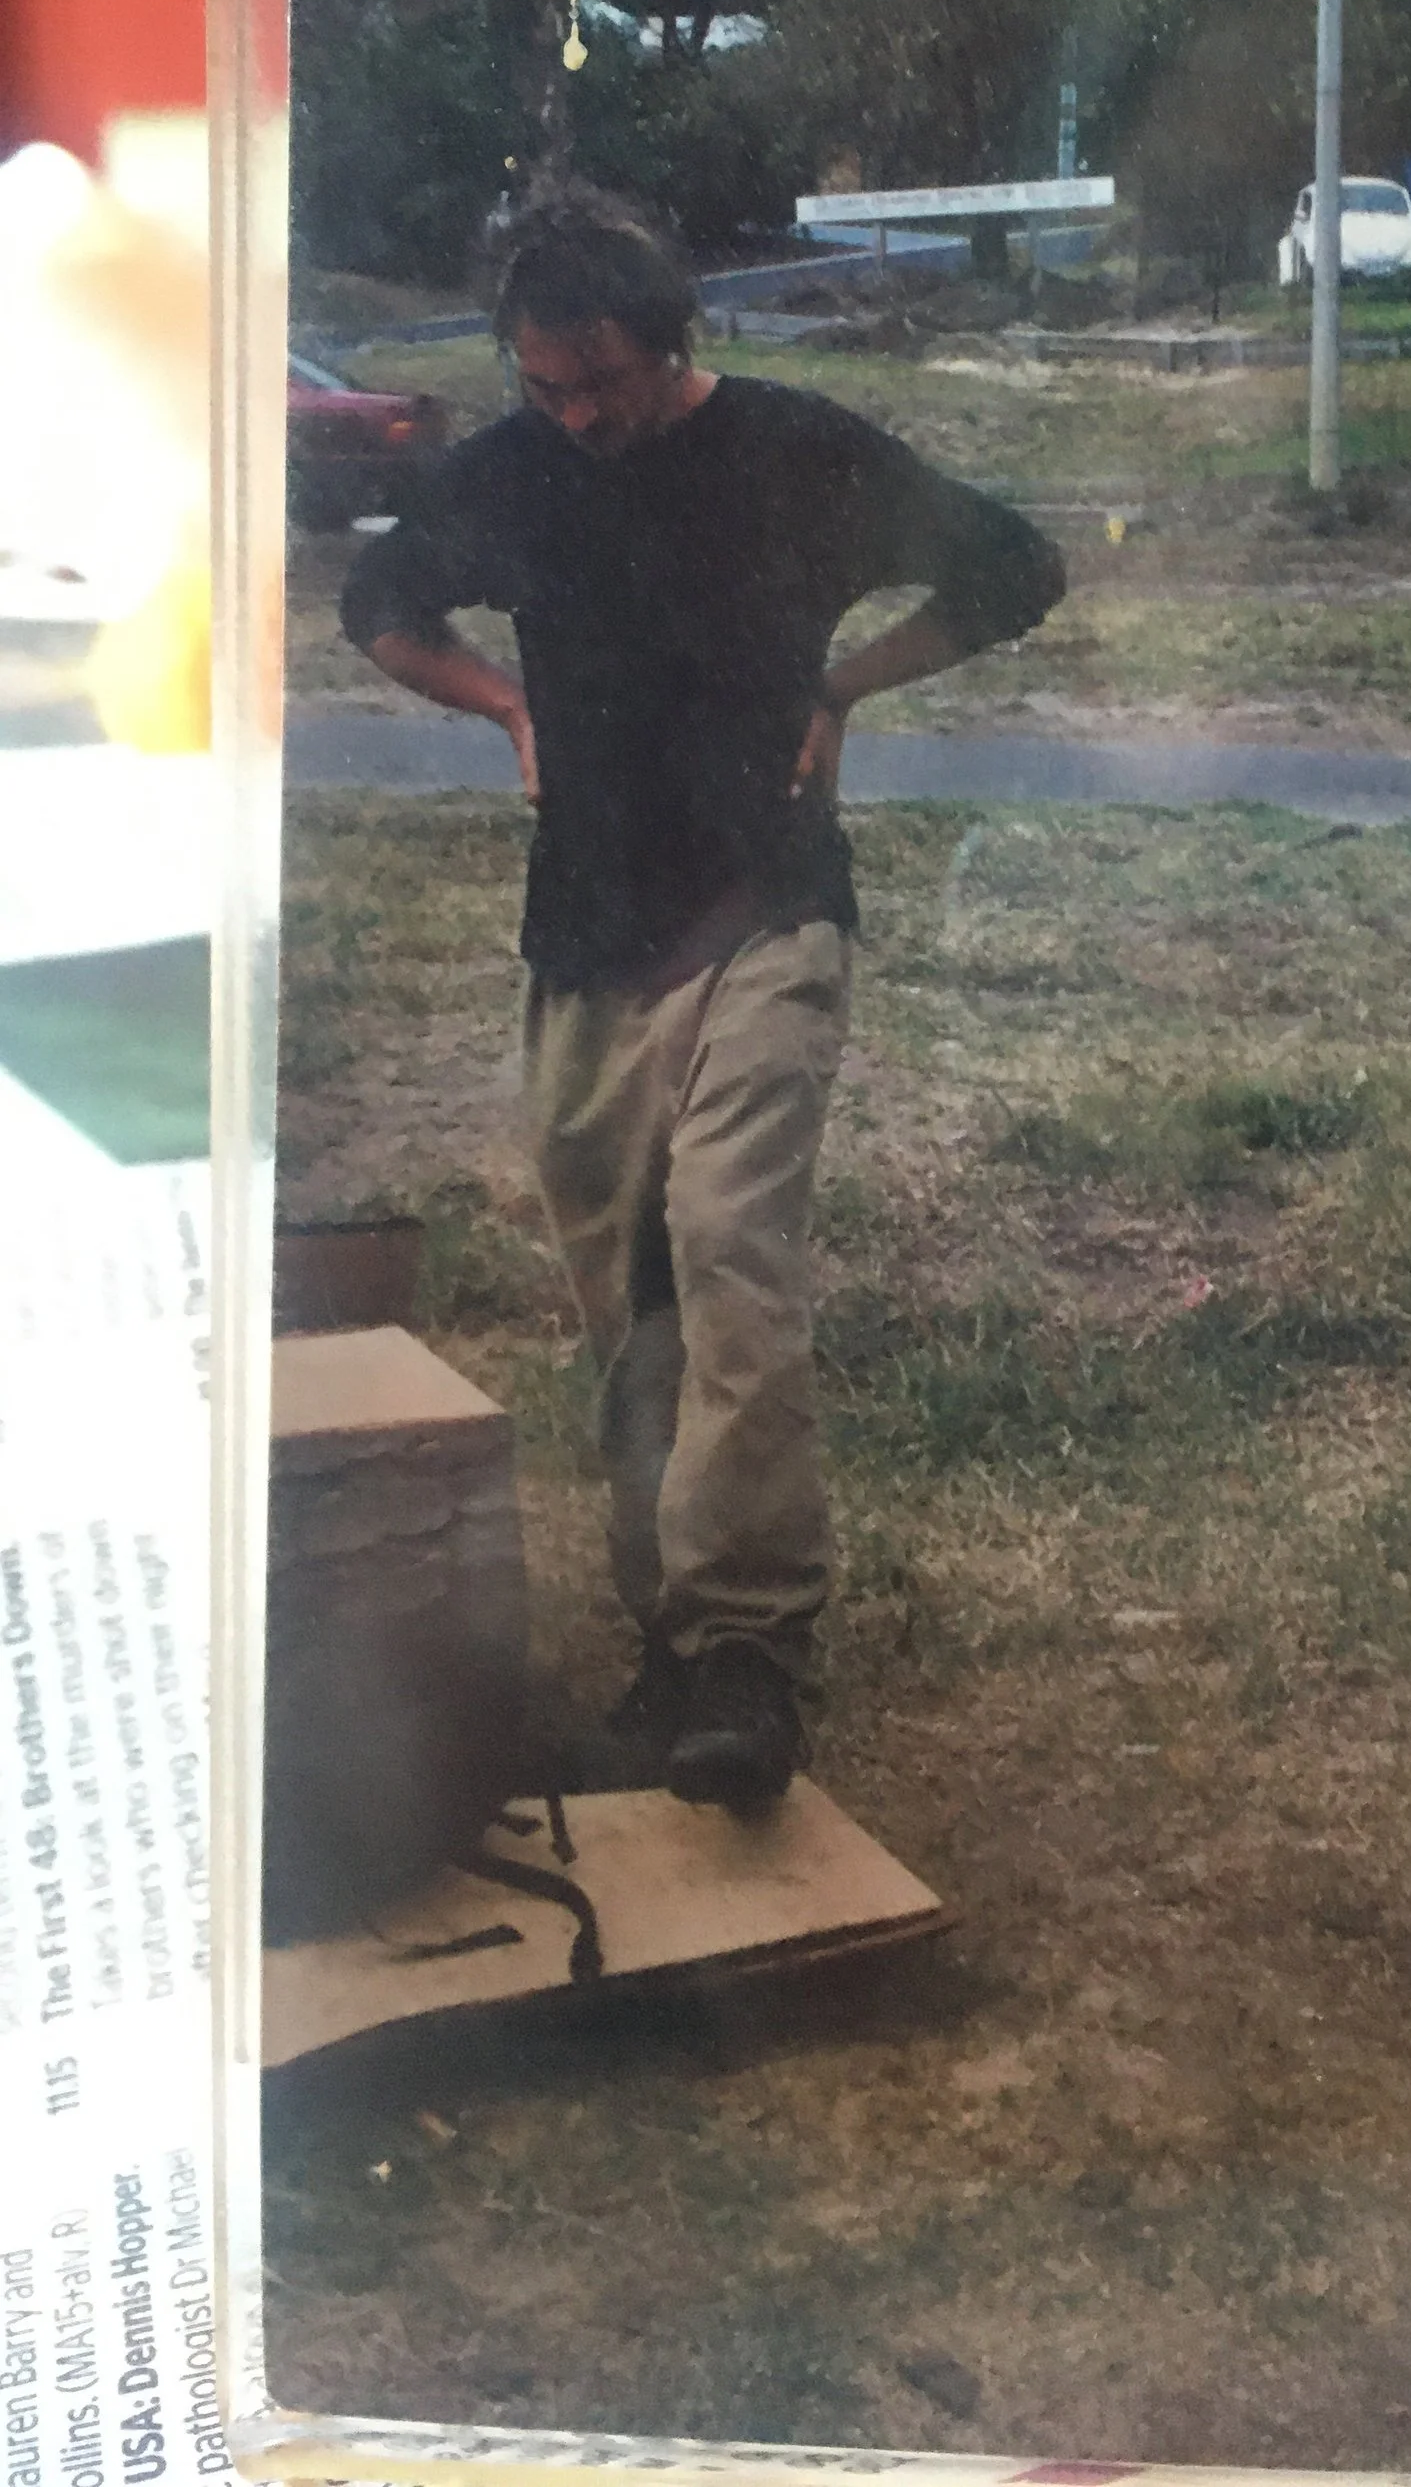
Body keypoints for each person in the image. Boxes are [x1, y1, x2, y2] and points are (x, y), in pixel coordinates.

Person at [340, 180, 1065, 1813]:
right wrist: (506, 709)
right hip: (587, 938)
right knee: (629, 1304)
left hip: (768, 911)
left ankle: (748, 1654)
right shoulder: (516, 471)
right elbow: (375, 609)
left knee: (729, 1236)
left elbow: (1012, 569)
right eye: (546, 386)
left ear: (670, 340)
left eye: (601, 380)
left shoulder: (795, 451)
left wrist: (842, 686)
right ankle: (670, 1649)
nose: (577, 416)